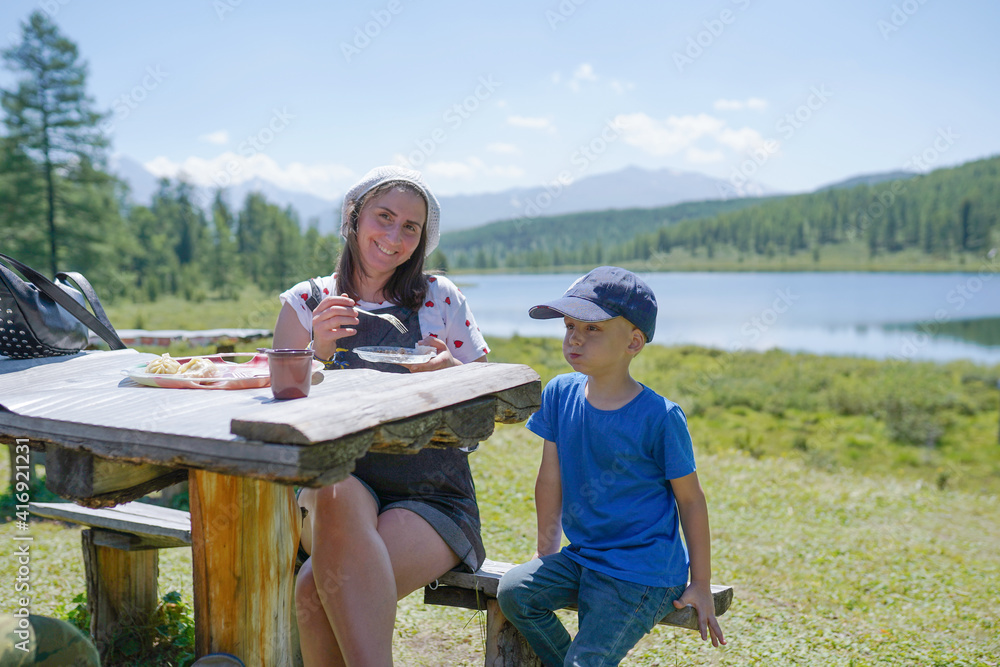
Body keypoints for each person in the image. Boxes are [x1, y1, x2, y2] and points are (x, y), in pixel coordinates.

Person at [273, 166, 490, 666]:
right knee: (334, 486)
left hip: (432, 493)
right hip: (333, 485)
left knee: (314, 589)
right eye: (384, 217)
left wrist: (452, 371)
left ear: (421, 240)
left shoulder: (440, 297)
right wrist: (318, 350)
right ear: (353, 218)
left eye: (410, 227)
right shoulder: (305, 302)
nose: (394, 237)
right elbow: (278, 418)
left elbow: (487, 402)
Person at [496, 266, 726, 666]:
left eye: (593, 329)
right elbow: (550, 478)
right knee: (515, 592)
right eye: (569, 326)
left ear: (634, 342)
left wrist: (701, 583)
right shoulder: (560, 392)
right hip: (583, 556)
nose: (574, 338)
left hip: (641, 574)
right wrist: (546, 552)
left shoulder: (660, 417)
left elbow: (691, 501)